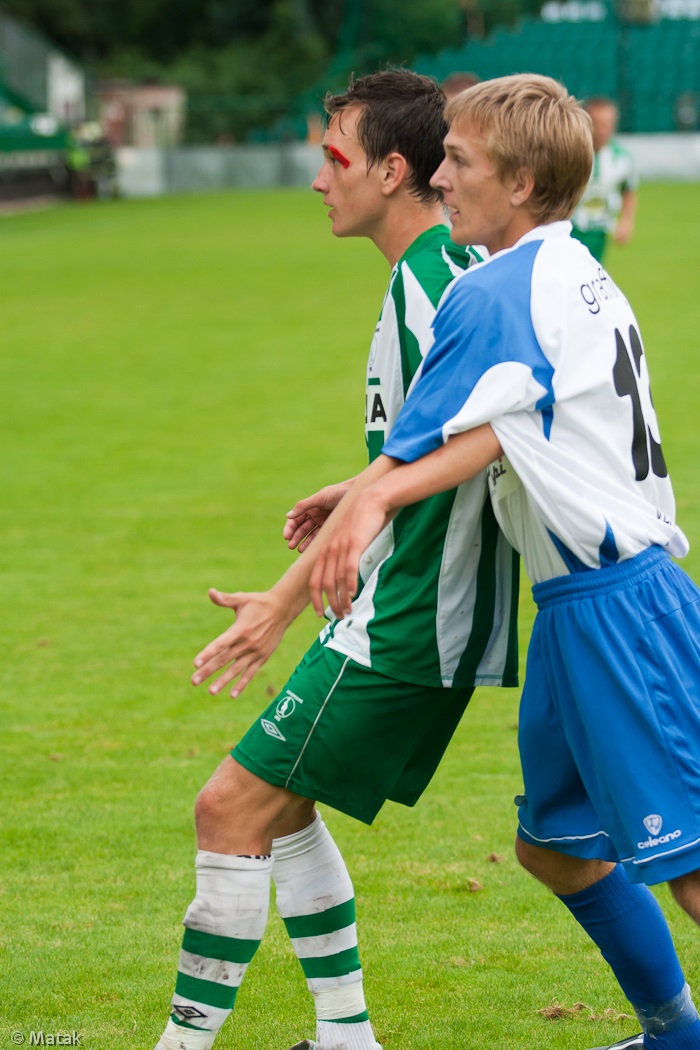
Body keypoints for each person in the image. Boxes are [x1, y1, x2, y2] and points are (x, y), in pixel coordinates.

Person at [309, 74, 700, 1050]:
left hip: (618, 607)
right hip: (580, 607)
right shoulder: (571, 268)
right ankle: (672, 1033)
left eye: (462, 162)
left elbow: (413, 448)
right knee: (554, 849)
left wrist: (369, 500)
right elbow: (491, 428)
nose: (440, 177)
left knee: (687, 861)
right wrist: (364, 492)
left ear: (520, 183)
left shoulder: (492, 288)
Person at [154, 69, 519, 1050]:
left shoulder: (439, 289)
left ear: (394, 170)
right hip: (406, 609)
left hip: (407, 621)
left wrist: (280, 601)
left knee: (227, 806)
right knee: (279, 811)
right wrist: (353, 489)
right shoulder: (428, 280)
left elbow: (492, 438)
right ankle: (345, 1037)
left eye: (335, 157)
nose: (320, 179)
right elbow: (429, 449)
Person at [571, 96, 638, 263]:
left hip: (600, 233)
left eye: (608, 124)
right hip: (570, 230)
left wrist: (626, 221)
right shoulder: (571, 155)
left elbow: (629, 189)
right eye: (598, 123)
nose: (603, 129)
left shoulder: (622, 159)